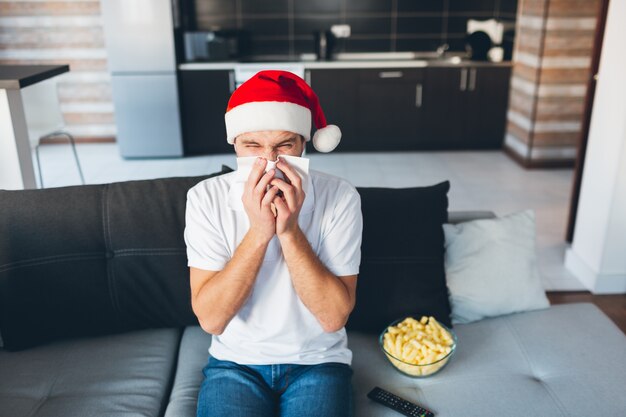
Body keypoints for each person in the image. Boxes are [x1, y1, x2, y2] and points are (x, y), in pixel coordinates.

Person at [184, 70, 363, 417]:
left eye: (284, 145)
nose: (268, 161)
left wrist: (289, 231)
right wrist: (259, 232)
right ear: (234, 143)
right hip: (235, 364)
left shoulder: (340, 197)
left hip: (319, 362)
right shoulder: (204, 198)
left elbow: (332, 318)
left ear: (304, 143)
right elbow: (211, 320)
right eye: (252, 146)